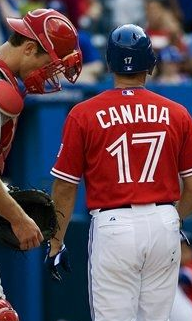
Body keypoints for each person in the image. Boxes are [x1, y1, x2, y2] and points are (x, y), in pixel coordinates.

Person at [45, 24, 192, 321]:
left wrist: (56, 240)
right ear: (150, 64)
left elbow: (66, 186)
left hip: (113, 222)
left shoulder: (84, 113)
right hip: (163, 221)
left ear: (110, 63)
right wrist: (173, 218)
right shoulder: (177, 112)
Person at [0, 8, 82, 318]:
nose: (48, 73)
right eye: (48, 64)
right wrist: (18, 217)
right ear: (30, 47)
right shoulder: (4, 92)